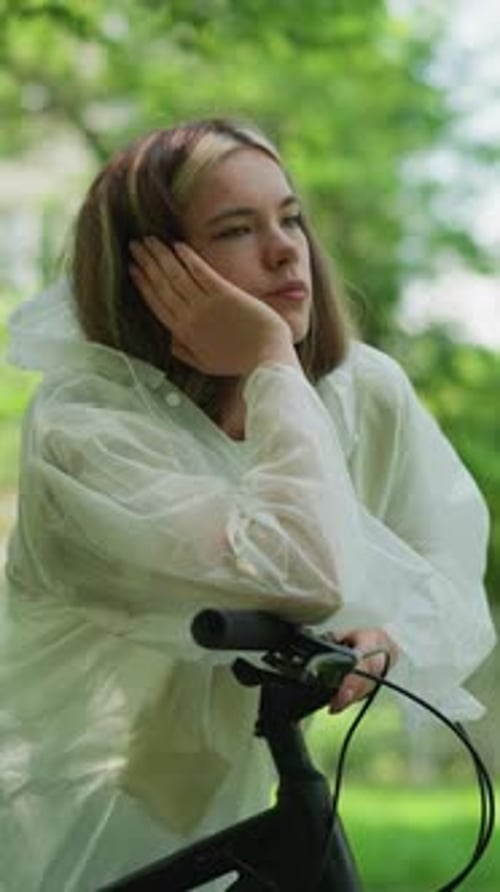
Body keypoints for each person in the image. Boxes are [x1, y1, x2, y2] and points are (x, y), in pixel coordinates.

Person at [0, 117, 495, 891]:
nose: (285, 248)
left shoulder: (359, 392)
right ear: (151, 272)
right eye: (237, 228)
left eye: (290, 217)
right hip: (59, 831)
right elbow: (294, 571)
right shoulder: (88, 428)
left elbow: (445, 552)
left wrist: (389, 627)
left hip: (228, 819)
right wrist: (269, 359)